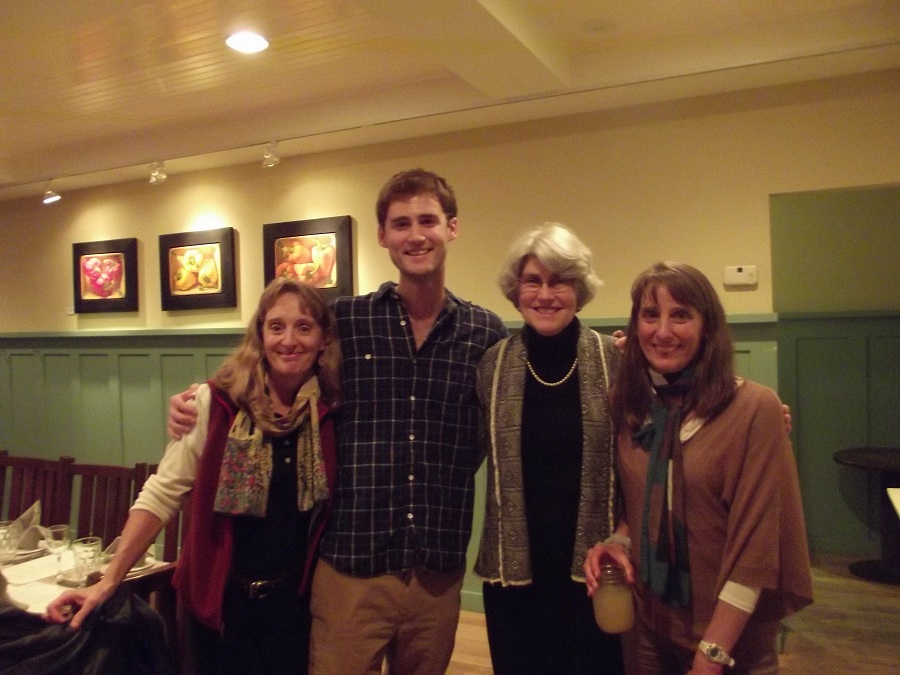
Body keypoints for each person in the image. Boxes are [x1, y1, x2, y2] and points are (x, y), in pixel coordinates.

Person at [168, 169, 508, 674]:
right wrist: (201, 398)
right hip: (350, 565)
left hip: (436, 569)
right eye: (401, 223)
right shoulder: (347, 321)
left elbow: (496, 427)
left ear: (451, 228)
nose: (415, 235)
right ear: (383, 236)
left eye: (428, 221)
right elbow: (276, 361)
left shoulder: (486, 332)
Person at [47, 278, 341, 675]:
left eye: (304, 327)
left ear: (323, 340)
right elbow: (161, 494)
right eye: (276, 326)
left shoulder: (330, 413)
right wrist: (108, 580)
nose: (289, 340)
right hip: (219, 606)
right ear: (260, 335)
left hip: (294, 608)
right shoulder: (214, 403)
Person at [584, 262, 813, 674]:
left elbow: (757, 548)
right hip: (648, 628)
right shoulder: (630, 403)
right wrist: (617, 543)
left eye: (681, 315)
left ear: (707, 327)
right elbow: (642, 502)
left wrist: (712, 653)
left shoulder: (754, 409)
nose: (662, 331)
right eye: (650, 315)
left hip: (730, 641)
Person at [474, 223, 626, 674]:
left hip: (595, 571)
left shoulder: (615, 359)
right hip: (515, 576)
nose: (545, 294)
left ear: (579, 289)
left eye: (559, 281)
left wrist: (761, 411)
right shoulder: (492, 364)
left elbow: (675, 416)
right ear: (516, 290)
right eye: (532, 281)